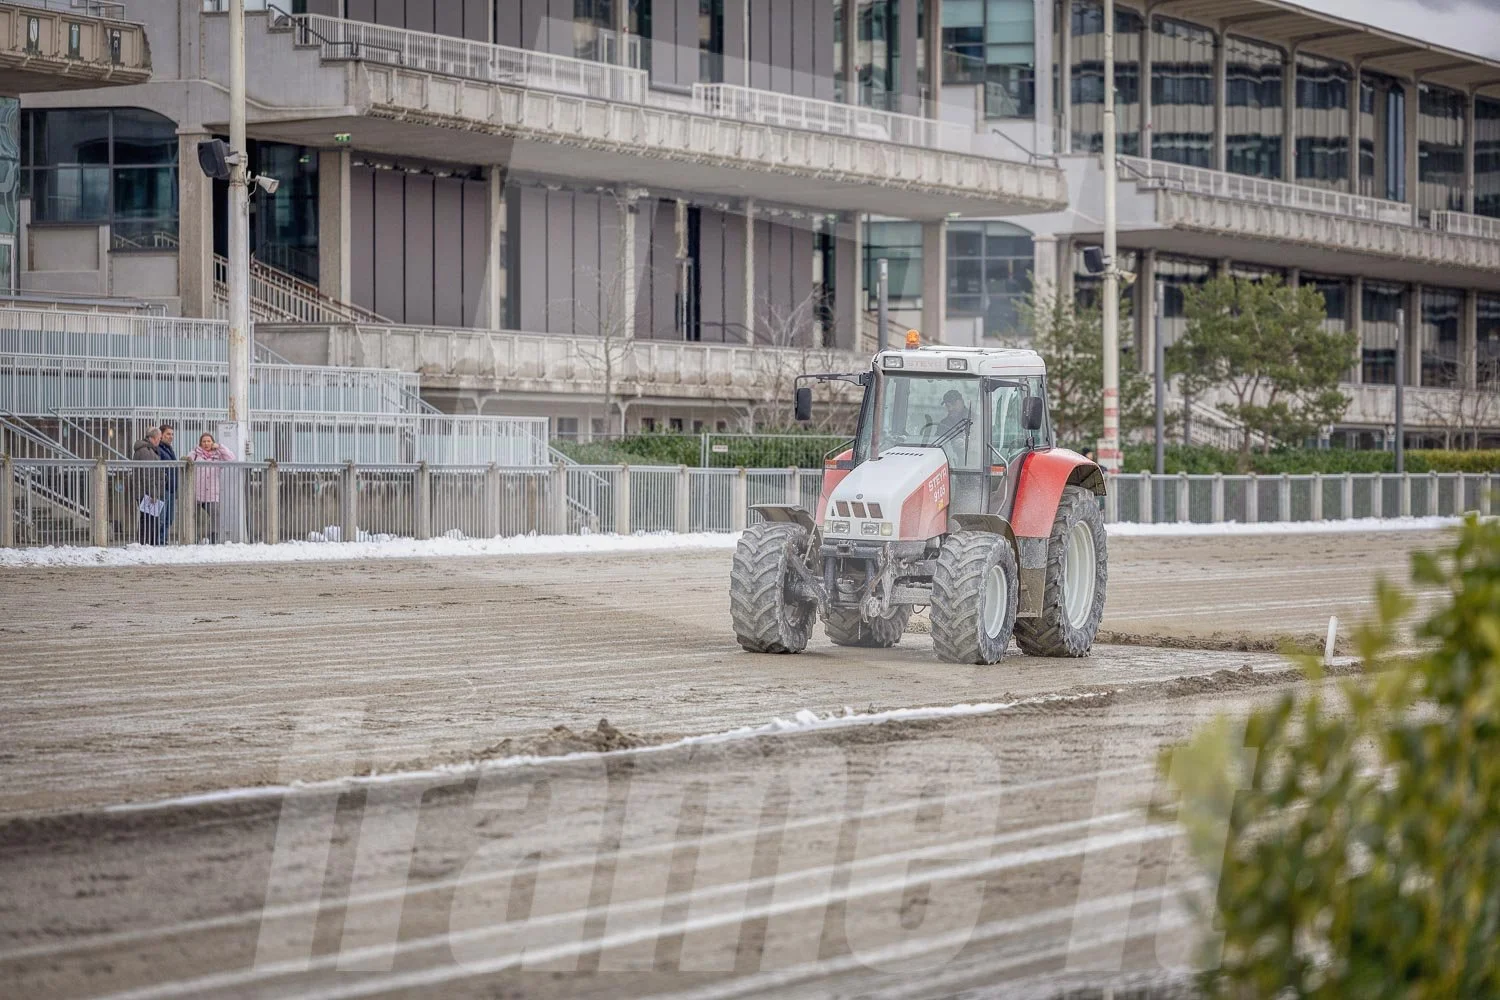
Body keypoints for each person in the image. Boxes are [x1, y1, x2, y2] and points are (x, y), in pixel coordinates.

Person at [191, 432, 234, 544]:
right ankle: (194, 538)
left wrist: (220, 447)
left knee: (215, 514)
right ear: (200, 443)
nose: (206, 443)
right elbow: (186, 463)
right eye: (204, 441)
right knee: (194, 516)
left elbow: (231, 458)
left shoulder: (218, 455)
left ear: (212, 442)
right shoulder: (195, 454)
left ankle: (214, 538)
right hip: (197, 491)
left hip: (212, 491)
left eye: (209, 441)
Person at [132, 427, 163, 545]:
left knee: (148, 519)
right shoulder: (146, 451)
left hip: (144, 490)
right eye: (159, 438)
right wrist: (153, 493)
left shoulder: (146, 450)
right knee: (149, 520)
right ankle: (146, 543)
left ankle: (146, 543)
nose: (159, 441)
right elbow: (148, 474)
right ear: (154, 438)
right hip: (146, 492)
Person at [155, 423, 178, 545]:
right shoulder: (159, 449)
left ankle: (164, 540)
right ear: (161, 435)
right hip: (164, 487)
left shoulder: (169, 449)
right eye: (168, 434)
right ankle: (160, 541)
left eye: (172, 434)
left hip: (171, 488)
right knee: (162, 518)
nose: (171, 437)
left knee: (169, 518)